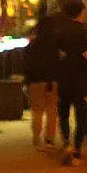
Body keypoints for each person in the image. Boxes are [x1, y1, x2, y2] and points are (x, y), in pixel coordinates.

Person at [54, 5, 87, 166]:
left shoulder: (60, 34)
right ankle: (77, 151)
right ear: (81, 13)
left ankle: (66, 142)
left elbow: (56, 57)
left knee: (63, 113)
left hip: (65, 80)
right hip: (82, 81)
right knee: (81, 117)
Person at [20, 15, 60, 148]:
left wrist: (27, 81)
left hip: (35, 82)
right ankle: (49, 139)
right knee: (52, 111)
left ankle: (36, 137)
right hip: (52, 81)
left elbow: (26, 65)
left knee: (37, 111)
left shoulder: (32, 45)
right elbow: (57, 63)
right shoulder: (55, 45)